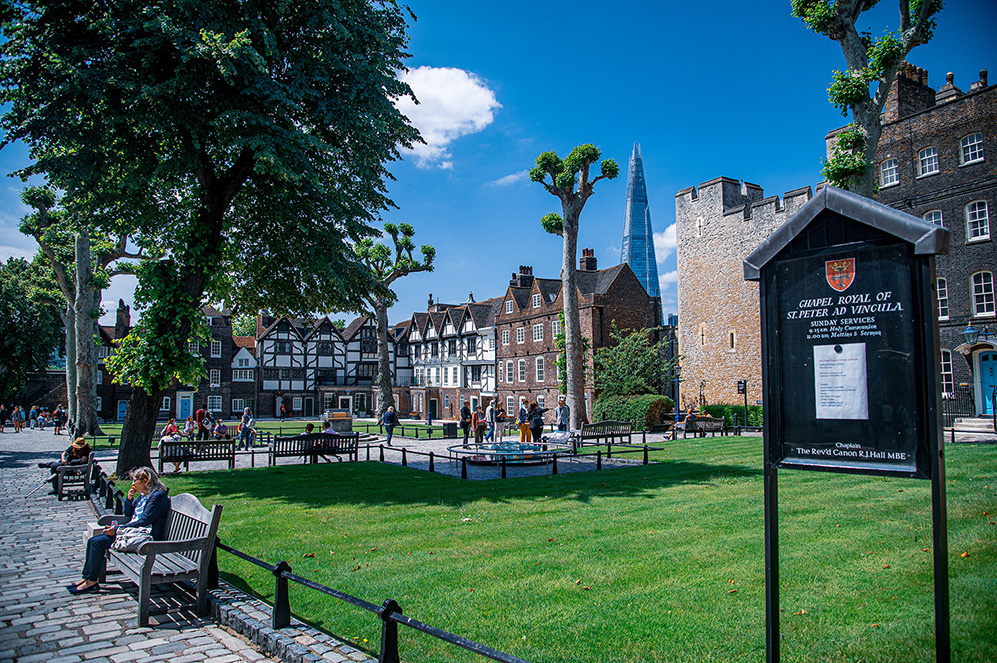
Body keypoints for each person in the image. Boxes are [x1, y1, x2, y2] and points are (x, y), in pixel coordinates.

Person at [70, 467, 170, 594]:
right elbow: (128, 513)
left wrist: (117, 530)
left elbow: (144, 521)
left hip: (146, 537)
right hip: (134, 532)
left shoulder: (157, 497)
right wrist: (129, 500)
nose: (132, 484)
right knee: (93, 541)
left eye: (135, 481)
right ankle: (87, 578)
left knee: (96, 542)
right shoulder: (144, 495)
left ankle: (91, 581)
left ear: (146, 481)